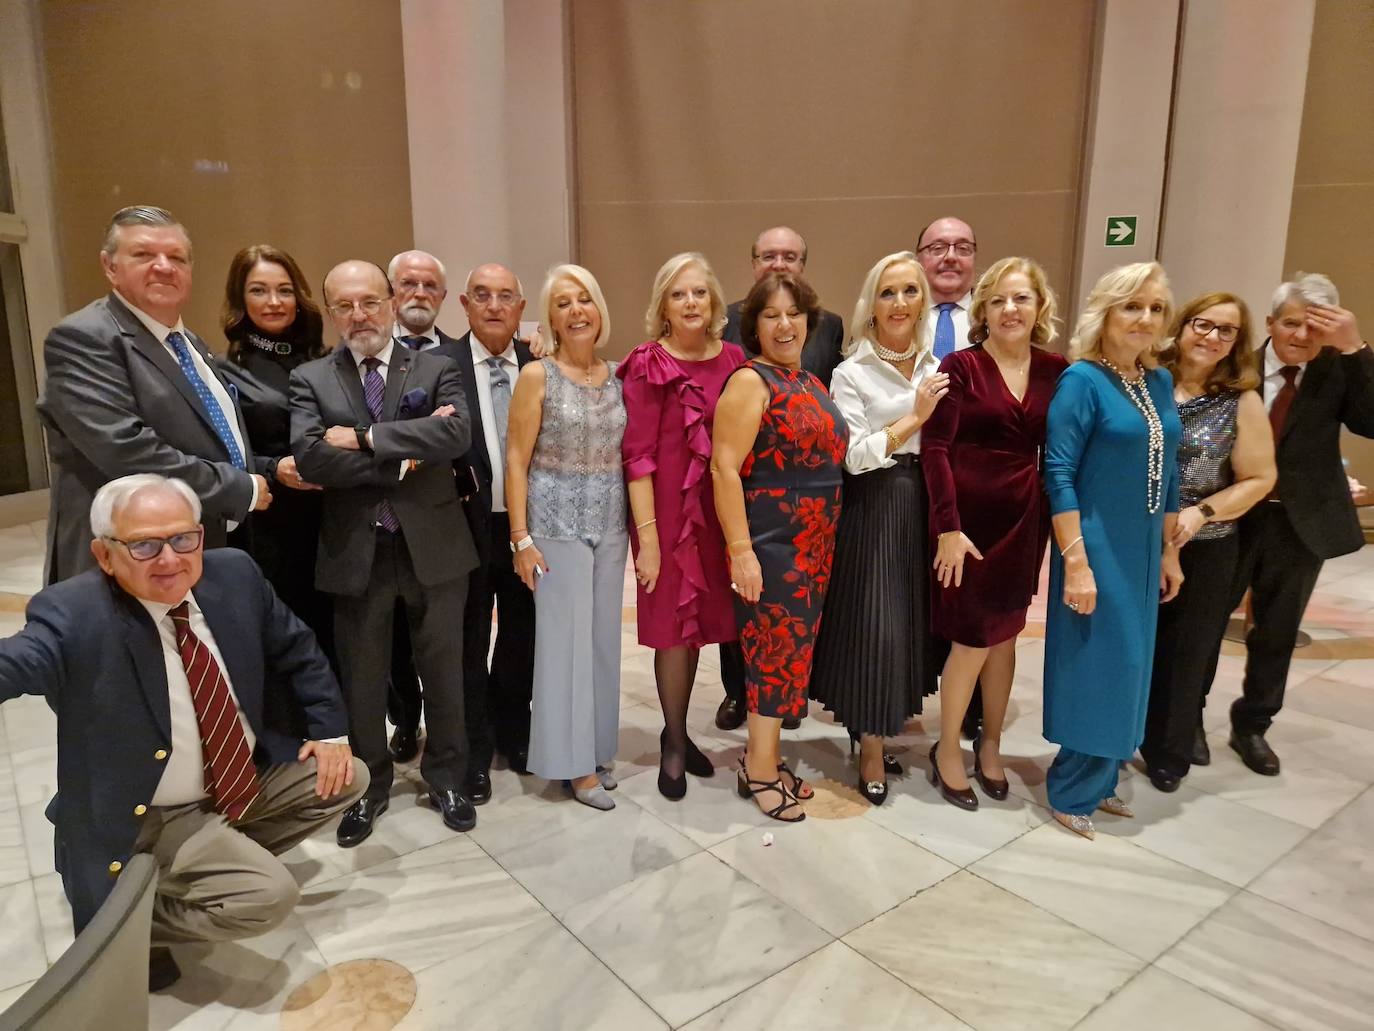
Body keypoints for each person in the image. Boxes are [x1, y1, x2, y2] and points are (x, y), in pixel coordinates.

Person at [0, 475, 364, 992]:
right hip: (150, 811)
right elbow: (16, 662)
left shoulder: (233, 573)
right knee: (269, 897)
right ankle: (128, 921)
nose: (169, 559)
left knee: (347, 776)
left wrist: (330, 732)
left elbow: (298, 650)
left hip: (234, 782)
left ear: (200, 535)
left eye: (182, 539)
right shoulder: (74, 614)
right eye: (144, 545)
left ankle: (192, 870)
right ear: (105, 556)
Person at [290, 260, 479, 846]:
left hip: (436, 547)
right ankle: (367, 788)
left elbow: (456, 436)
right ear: (331, 312)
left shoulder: (436, 366)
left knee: (444, 671)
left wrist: (366, 438)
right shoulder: (311, 378)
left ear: (392, 303)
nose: (358, 315)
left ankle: (447, 774)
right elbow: (312, 457)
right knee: (363, 681)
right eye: (344, 305)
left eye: (369, 301)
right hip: (356, 552)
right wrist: (406, 450)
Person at [37, 206, 273, 584]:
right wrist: (238, 488)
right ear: (110, 266)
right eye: (144, 255)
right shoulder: (83, 338)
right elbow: (125, 449)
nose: (164, 266)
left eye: (176, 257)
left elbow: (208, 436)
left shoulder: (189, 343)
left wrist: (265, 469)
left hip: (195, 547)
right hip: (126, 560)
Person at [1043, 262, 1183, 840]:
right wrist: (1075, 560)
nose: (1145, 319)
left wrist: (1170, 553)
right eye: (1132, 306)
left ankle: (1101, 780)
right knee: (1097, 663)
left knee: (1130, 664)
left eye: (1155, 308)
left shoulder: (1158, 381)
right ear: (1106, 312)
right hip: (1095, 543)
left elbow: (1170, 471)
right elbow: (1058, 471)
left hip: (1144, 546)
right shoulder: (1082, 379)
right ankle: (1069, 787)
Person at [922, 257, 1069, 809]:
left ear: (1039, 308)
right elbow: (935, 450)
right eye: (1000, 300)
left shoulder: (1059, 369)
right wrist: (947, 528)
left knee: (1006, 637)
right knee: (970, 640)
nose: (1011, 309)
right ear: (983, 309)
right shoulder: (960, 366)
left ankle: (991, 745)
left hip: (1024, 521)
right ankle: (947, 750)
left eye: (1022, 299)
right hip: (968, 527)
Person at [1216, 273, 1374, 776]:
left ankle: (1253, 726)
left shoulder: (1337, 369)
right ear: (1270, 323)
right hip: (1233, 512)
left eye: (1314, 327)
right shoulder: (1234, 363)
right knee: (1201, 622)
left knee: (1277, 631)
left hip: (1297, 521)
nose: (1301, 336)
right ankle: (1185, 721)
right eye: (1290, 324)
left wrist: (1356, 348)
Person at [809, 252, 949, 805]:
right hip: (876, 503)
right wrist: (913, 417)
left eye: (910, 291)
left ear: (923, 302)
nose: (899, 303)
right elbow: (854, 456)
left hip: (925, 504)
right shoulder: (851, 372)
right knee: (875, 626)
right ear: (873, 303)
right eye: (888, 292)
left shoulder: (938, 367)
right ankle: (867, 746)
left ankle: (882, 727)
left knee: (911, 625)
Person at [712, 272, 847, 821]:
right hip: (773, 543)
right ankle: (760, 768)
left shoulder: (809, 382)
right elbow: (723, 467)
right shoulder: (751, 382)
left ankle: (764, 756)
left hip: (814, 545)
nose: (785, 324)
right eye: (771, 315)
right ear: (755, 326)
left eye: (794, 314)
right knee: (772, 656)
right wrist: (740, 550)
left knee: (792, 659)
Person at [620, 252, 747, 799]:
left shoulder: (737, 359)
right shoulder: (648, 362)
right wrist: (647, 539)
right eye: (678, 294)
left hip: (721, 516)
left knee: (704, 627)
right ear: (663, 306)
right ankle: (674, 742)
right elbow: (637, 458)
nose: (691, 302)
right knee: (673, 632)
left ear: (713, 300)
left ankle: (684, 735)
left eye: (699, 292)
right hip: (668, 519)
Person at [1140, 293, 1275, 791]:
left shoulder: (1242, 400)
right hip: (1138, 536)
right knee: (1135, 646)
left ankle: (1167, 753)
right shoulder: (1148, 381)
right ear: (1183, 326)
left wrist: (1202, 512)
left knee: (1185, 652)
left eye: (1226, 330)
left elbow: (1260, 478)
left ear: (1236, 343)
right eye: (1203, 324)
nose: (1211, 336)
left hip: (1206, 541)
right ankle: (1116, 737)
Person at [506, 264, 626, 811]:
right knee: (563, 649)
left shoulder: (618, 375)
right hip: (554, 527)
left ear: (600, 309)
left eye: (585, 300)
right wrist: (519, 537)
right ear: (550, 317)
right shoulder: (538, 375)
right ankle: (570, 766)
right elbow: (515, 457)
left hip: (611, 525)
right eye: (563, 303)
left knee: (602, 645)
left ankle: (598, 749)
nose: (576, 310)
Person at [444, 261, 538, 797]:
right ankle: (474, 745)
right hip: (465, 529)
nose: (495, 305)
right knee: (469, 638)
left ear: (521, 309)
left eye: (506, 296)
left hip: (529, 531)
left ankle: (514, 730)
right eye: (483, 295)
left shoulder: (540, 364)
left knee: (523, 636)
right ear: (465, 304)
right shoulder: (438, 364)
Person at [217, 244, 333, 664]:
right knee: (287, 636)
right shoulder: (223, 371)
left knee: (342, 637)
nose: (273, 302)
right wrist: (271, 468)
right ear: (240, 298)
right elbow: (221, 448)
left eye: (284, 291)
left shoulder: (327, 361)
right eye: (259, 290)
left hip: (334, 521)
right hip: (273, 524)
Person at [916, 217, 978, 362]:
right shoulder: (895, 316)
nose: (951, 257)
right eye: (937, 248)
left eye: (963, 249)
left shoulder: (994, 318)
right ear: (918, 259)